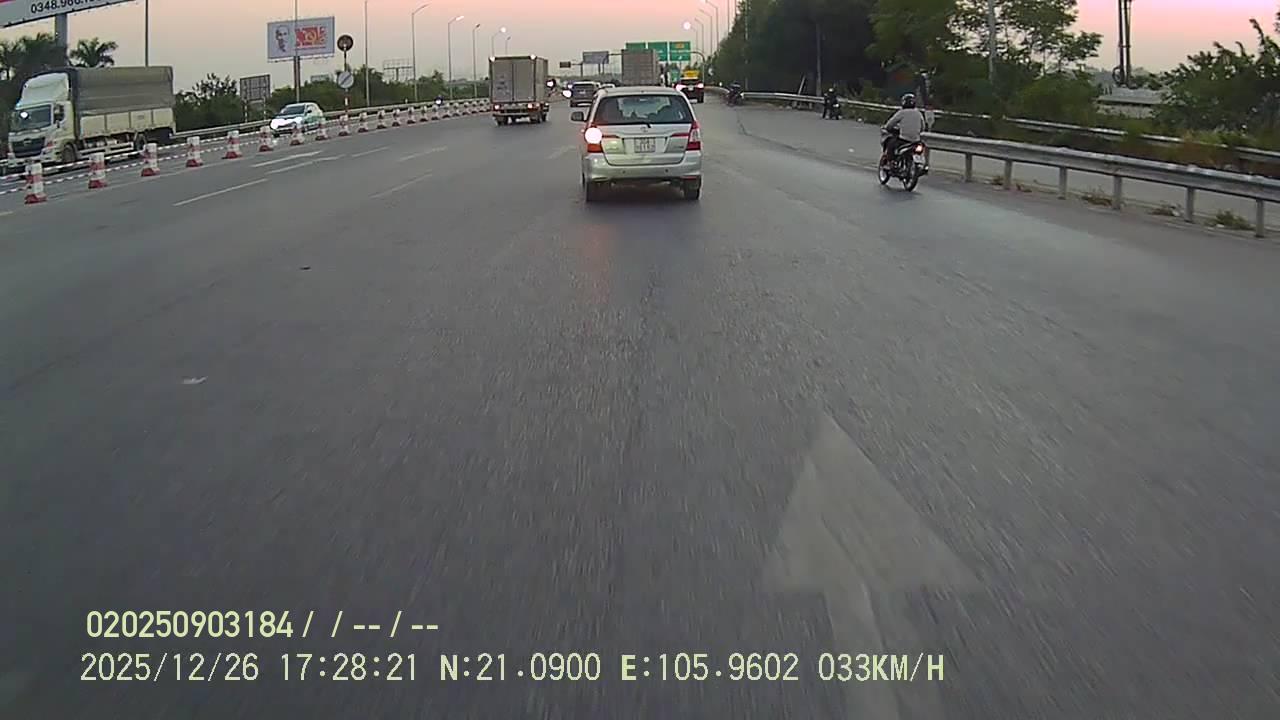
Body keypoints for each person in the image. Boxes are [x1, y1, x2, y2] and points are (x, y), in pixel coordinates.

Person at [880, 93, 926, 167]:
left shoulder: (902, 112)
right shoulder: (918, 113)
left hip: (903, 140)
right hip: (916, 141)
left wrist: (887, 128)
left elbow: (890, 124)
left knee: (890, 144)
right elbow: (923, 127)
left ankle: (891, 162)